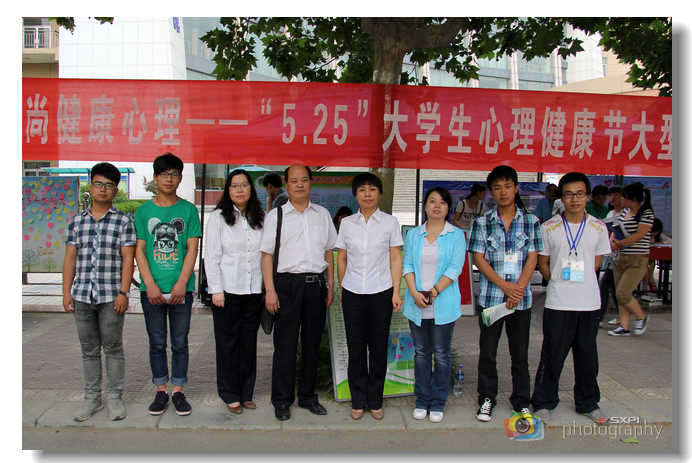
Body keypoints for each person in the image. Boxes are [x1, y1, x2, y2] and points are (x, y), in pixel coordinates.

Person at [530, 172, 613, 425]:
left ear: (587, 196)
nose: (574, 199)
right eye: (568, 194)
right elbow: (542, 263)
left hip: (589, 302)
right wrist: (556, 280)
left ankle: (588, 402)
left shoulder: (598, 227)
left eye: (579, 193)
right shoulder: (549, 227)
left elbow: (596, 263)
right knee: (552, 354)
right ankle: (543, 402)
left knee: (587, 356)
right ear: (561, 198)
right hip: (558, 302)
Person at [260, 165, 337, 421]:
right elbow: (267, 255)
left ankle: (307, 397)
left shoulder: (322, 214)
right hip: (287, 287)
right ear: (286, 183)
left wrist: (330, 285)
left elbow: (329, 251)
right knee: (286, 346)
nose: (300, 185)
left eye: (304, 179)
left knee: (312, 345)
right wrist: (270, 290)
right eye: (294, 181)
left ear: (311, 182)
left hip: (316, 286)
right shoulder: (276, 216)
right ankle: (282, 400)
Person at [62, 162, 136, 422]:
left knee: (113, 348)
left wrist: (124, 293)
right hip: (82, 295)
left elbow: (128, 259)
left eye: (109, 185)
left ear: (116, 190)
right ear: (90, 186)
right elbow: (70, 258)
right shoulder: (76, 222)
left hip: (110, 297)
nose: (103, 189)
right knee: (89, 350)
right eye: (98, 184)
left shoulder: (123, 222)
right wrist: (66, 292)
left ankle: (114, 397)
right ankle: (92, 398)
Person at [468, 165, 541, 422]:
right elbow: (478, 258)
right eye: (497, 188)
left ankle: (521, 401)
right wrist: (504, 286)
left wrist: (517, 289)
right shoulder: (481, 222)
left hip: (520, 300)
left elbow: (533, 257)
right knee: (487, 353)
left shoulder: (531, 221)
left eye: (508, 186)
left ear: (516, 188)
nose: (503, 192)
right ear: (490, 192)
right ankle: (486, 398)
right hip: (491, 299)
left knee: (520, 354)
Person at [134, 153, 201, 416]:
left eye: (174, 174)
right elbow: (140, 249)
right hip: (151, 290)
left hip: (181, 290)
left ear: (180, 178)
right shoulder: (143, 211)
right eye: (164, 174)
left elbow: (192, 248)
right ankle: (161, 390)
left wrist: (183, 282)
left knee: (180, 343)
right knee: (156, 343)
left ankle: (178, 391)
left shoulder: (188, 210)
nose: (169, 179)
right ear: (155, 177)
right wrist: (148, 283)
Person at [335, 173, 404, 420]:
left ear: (380, 194)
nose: (367, 194)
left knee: (377, 348)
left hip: (381, 293)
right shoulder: (347, 224)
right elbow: (342, 259)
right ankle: (357, 400)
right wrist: (343, 288)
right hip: (353, 293)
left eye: (372, 189)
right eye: (362, 189)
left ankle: (375, 400)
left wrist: (396, 292)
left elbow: (395, 258)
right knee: (355, 348)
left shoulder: (390, 222)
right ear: (356, 194)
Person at [402, 187, 466, 423]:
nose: (437, 206)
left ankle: (438, 401)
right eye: (432, 201)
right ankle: (422, 399)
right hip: (416, 303)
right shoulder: (413, 235)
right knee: (421, 353)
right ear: (425, 206)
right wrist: (414, 293)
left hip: (443, 304)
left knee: (441, 354)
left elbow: (455, 268)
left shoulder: (456, 235)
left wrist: (434, 292)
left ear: (449, 208)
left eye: (442, 202)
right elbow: (407, 265)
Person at [204, 169, 265, 415]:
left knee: (248, 344)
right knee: (227, 345)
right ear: (228, 190)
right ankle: (230, 394)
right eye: (234, 185)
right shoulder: (218, 218)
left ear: (251, 189)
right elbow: (211, 255)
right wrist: (215, 290)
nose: (240, 190)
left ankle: (246, 393)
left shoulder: (261, 217)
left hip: (254, 292)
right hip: (227, 292)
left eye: (244, 185)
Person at [607, 182, 654, 337]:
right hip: (620, 258)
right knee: (620, 294)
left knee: (623, 293)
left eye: (623, 196)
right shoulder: (624, 212)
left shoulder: (646, 213)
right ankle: (624, 327)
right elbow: (615, 228)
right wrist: (612, 242)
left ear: (632, 198)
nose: (621, 199)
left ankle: (641, 317)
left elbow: (640, 235)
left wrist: (620, 243)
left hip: (637, 259)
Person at [600, 186, 624, 326]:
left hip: (621, 254)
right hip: (611, 254)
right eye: (610, 195)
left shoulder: (627, 214)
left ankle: (599, 317)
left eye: (616, 194)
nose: (612, 197)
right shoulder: (610, 213)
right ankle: (622, 317)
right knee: (614, 288)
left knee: (606, 285)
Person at [641, 218, 672, 294]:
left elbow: (670, 241)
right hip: (639, 258)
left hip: (649, 258)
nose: (653, 234)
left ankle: (646, 288)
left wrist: (657, 242)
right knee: (647, 263)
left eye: (655, 232)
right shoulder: (642, 232)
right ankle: (650, 283)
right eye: (651, 232)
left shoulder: (659, 235)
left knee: (650, 261)